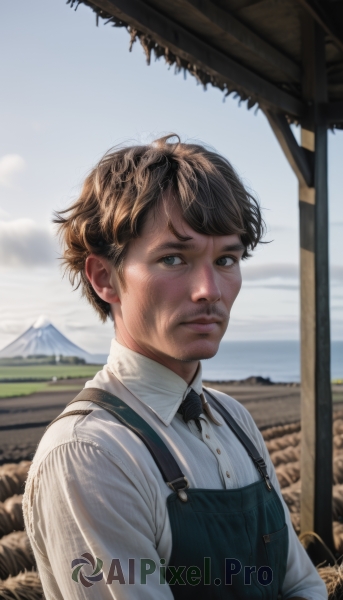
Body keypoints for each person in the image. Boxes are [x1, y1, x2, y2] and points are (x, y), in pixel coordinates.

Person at [23, 135, 327, 599]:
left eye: (226, 259)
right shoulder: (90, 453)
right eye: (173, 258)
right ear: (105, 277)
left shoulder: (234, 419)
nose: (211, 289)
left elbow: (303, 584)